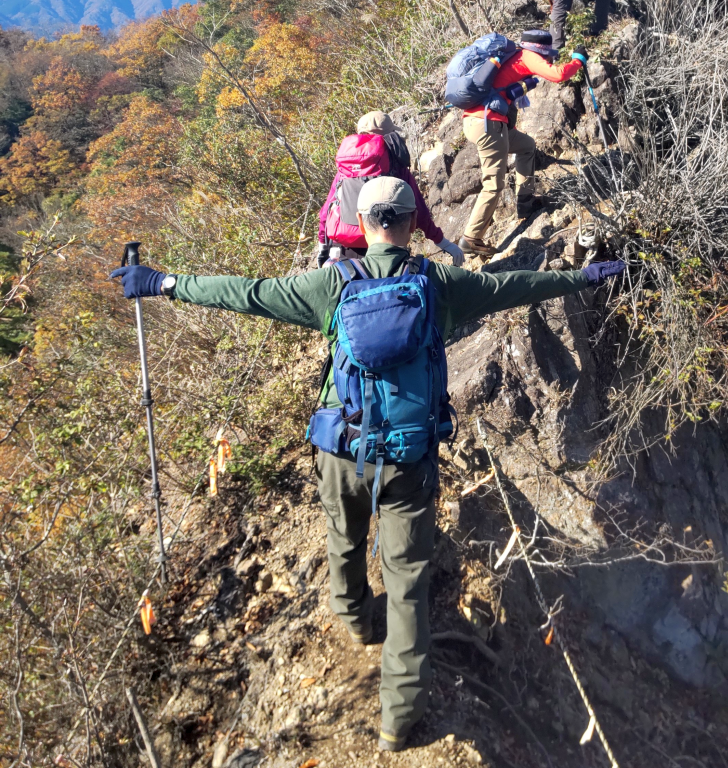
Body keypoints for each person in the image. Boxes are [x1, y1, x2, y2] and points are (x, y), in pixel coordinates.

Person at [110, 177, 625, 752]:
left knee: (344, 538)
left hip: (341, 450)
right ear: (408, 222)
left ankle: (355, 620)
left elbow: (248, 293)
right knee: (407, 587)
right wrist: (580, 276)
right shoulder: (438, 282)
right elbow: (510, 286)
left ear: (362, 222)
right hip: (408, 459)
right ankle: (397, 722)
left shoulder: (332, 283)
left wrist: (164, 282)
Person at [458, 30, 588, 258]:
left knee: (526, 145)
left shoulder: (513, 56)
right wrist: (578, 60)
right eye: (548, 54)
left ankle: (525, 202)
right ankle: (471, 238)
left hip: (481, 121)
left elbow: (503, 93)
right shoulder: (528, 56)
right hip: (488, 124)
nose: (548, 59)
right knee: (493, 185)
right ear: (541, 49)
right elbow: (557, 74)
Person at [318, 110, 464, 267]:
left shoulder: (347, 166)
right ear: (389, 135)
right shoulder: (395, 165)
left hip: (343, 247)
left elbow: (327, 211)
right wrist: (442, 242)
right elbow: (419, 210)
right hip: (385, 247)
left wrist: (323, 247)